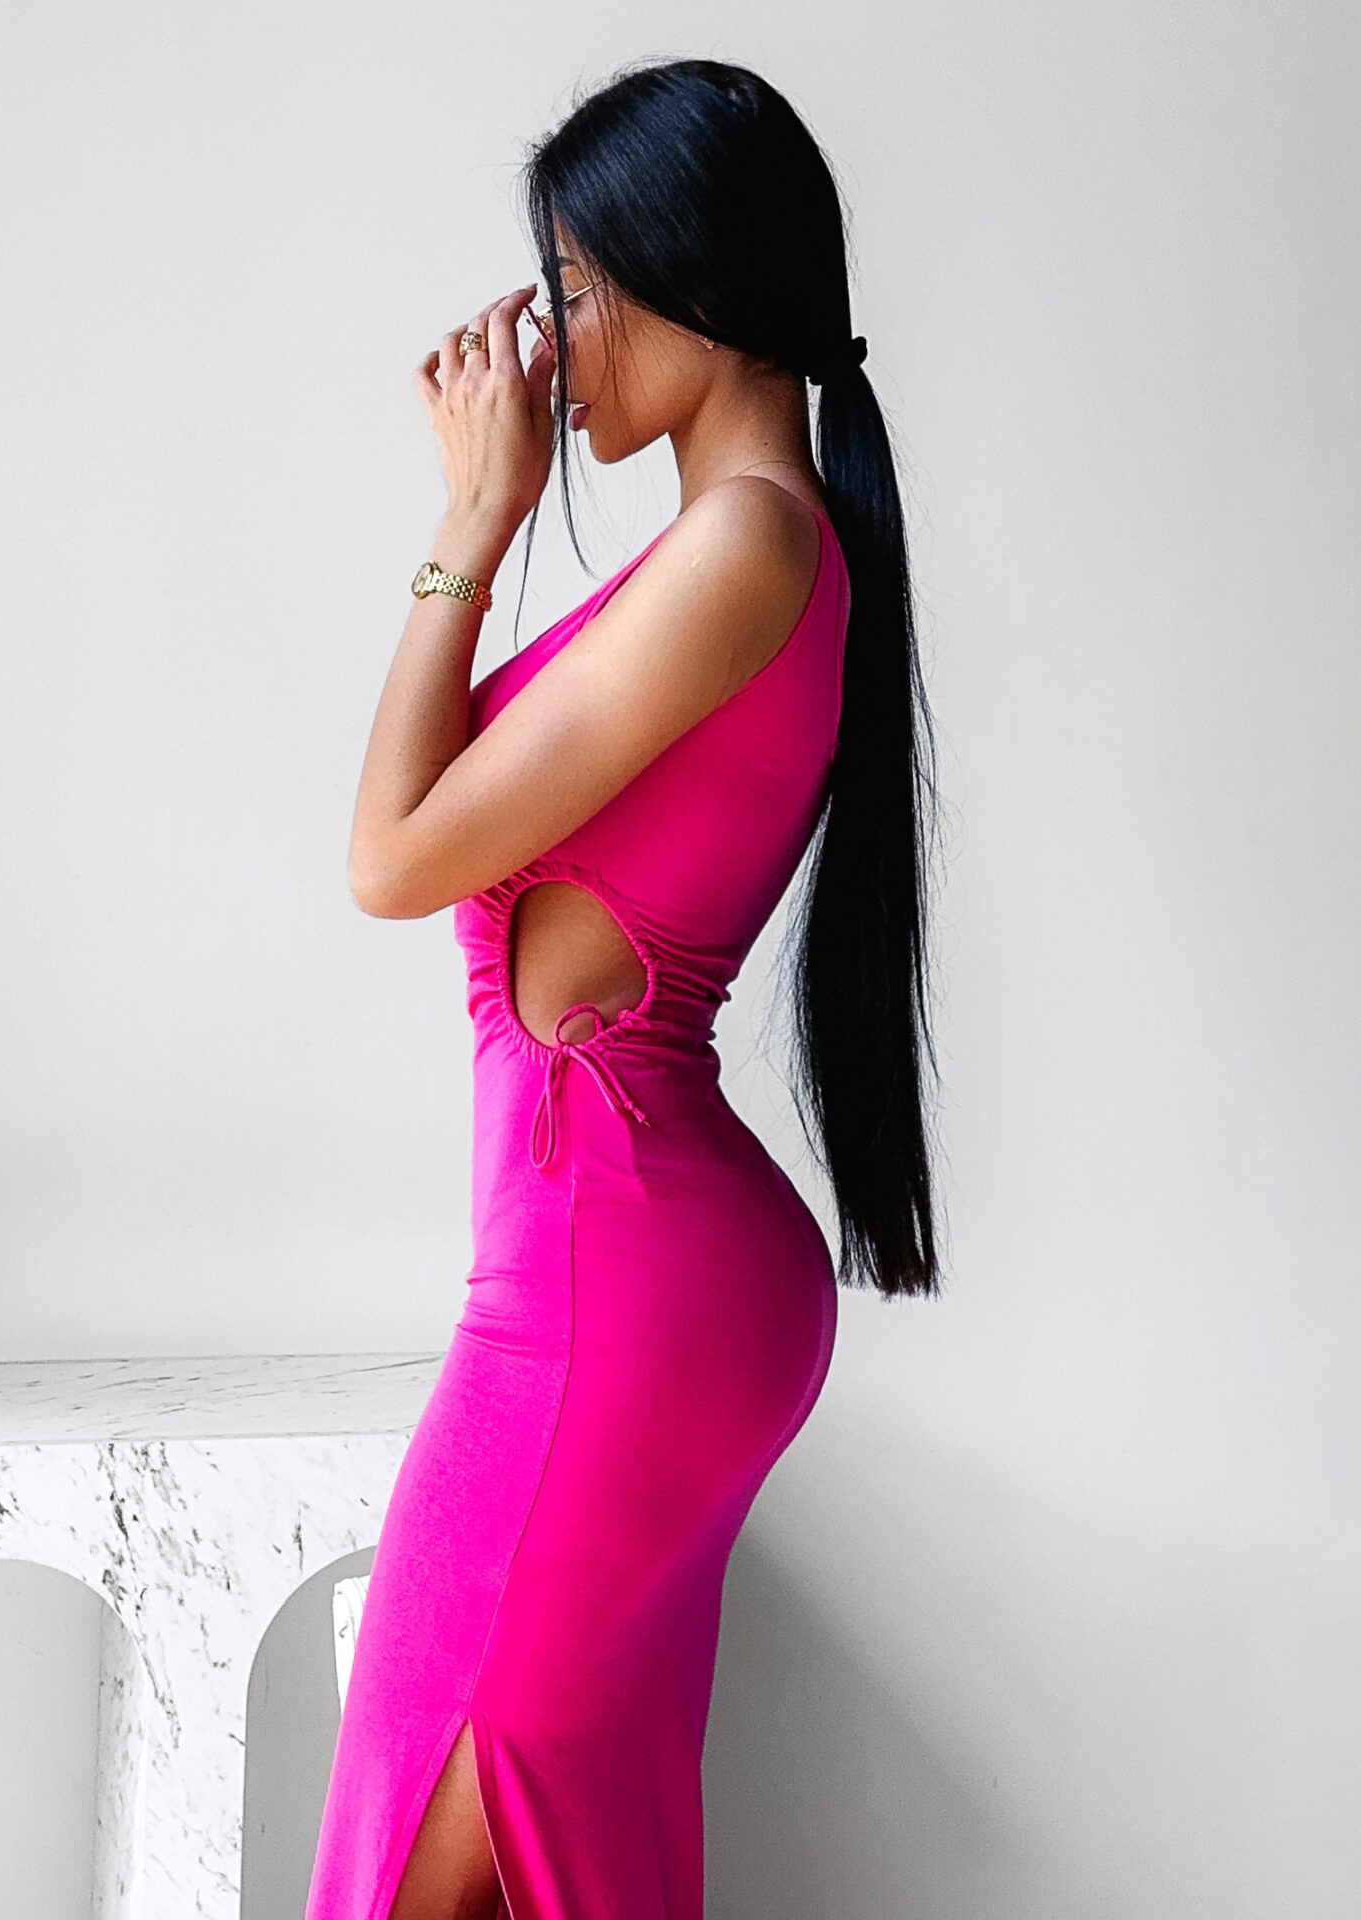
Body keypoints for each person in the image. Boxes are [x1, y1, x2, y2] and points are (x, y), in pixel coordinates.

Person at [305, 54, 944, 1920]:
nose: (553, 344)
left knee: (426, 1865)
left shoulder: (748, 541)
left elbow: (392, 858)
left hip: (605, 1295)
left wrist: (474, 522)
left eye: (576, 289)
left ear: (695, 280)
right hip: (616, 1279)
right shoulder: (746, 550)